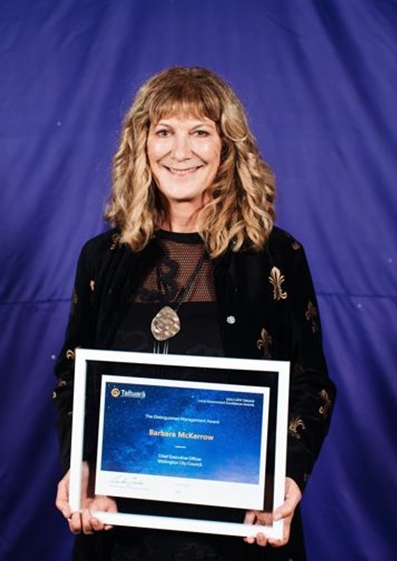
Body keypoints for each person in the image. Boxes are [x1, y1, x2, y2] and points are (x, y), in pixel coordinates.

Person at [52, 67, 336, 560]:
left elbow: (311, 383)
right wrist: (80, 466)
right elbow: (73, 377)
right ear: (141, 145)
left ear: (228, 147)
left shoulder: (277, 256)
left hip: (240, 530)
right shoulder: (102, 258)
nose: (180, 152)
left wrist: (286, 476)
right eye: (164, 132)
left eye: (200, 132)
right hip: (122, 527)